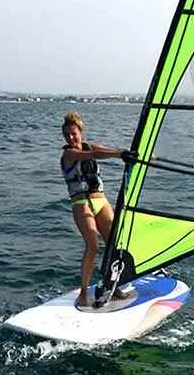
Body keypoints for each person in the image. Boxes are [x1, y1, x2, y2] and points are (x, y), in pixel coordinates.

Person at [60, 111, 131, 307]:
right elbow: (93, 155)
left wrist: (127, 154)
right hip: (82, 205)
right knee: (93, 245)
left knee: (113, 245)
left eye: (73, 133)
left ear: (81, 132)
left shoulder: (90, 146)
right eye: (66, 135)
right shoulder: (69, 153)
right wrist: (118, 154)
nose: (70, 138)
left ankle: (112, 284)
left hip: (101, 202)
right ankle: (83, 292)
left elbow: (109, 151)